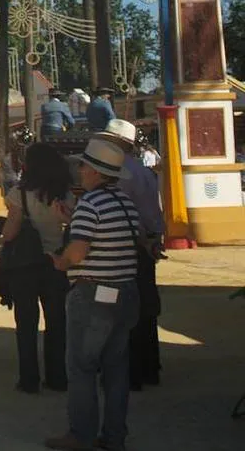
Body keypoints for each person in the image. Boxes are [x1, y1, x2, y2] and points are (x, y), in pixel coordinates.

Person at [45, 128, 141, 451]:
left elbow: (77, 254)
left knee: (82, 367)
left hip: (94, 295)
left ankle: (81, 434)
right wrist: (75, 218)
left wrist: (60, 261)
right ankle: (114, 437)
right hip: (125, 292)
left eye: (84, 167)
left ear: (96, 172)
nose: (80, 171)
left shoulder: (90, 205)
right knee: (116, 369)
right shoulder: (124, 203)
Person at [1, 143, 74, 394]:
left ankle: (29, 378)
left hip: (26, 265)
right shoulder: (64, 194)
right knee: (57, 322)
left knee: (26, 323)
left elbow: (10, 233)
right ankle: (57, 376)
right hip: (56, 263)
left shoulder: (19, 194)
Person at [113, 121, 165, 391]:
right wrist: (156, 239)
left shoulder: (117, 173)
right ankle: (149, 367)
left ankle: (131, 371)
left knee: (124, 310)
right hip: (145, 245)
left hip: (123, 247)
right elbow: (153, 213)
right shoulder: (143, 173)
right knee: (146, 307)